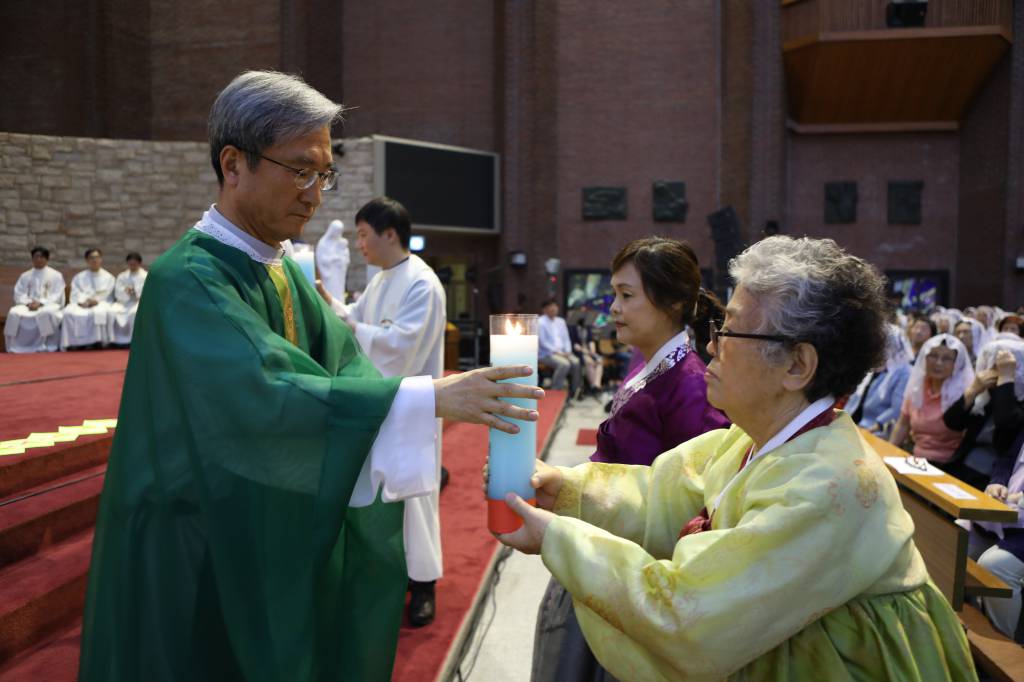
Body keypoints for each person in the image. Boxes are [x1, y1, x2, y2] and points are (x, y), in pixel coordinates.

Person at [78, 70, 543, 682]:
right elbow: (265, 390)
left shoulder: (280, 269)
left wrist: (420, 399)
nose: (316, 193)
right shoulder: (187, 278)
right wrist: (428, 396)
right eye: (300, 170)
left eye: (324, 173)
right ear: (233, 163)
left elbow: (343, 363)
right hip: (198, 535)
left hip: (258, 515)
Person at [499, 236, 975, 680]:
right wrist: (567, 489)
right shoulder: (755, 437)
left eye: (730, 331)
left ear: (796, 365)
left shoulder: (830, 484)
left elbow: (690, 614)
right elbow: (660, 496)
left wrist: (557, 538)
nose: (711, 345)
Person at [532, 237, 729, 682]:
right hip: (599, 539)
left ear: (673, 302)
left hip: (631, 568)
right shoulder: (650, 366)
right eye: (614, 294)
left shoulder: (692, 386)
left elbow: (694, 504)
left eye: (627, 295)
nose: (614, 308)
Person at [317, 196, 447, 628]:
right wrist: (329, 303)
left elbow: (401, 349)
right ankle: (389, 574)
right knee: (382, 492)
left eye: (363, 234)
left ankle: (424, 583)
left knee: (416, 498)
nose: (359, 244)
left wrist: (353, 326)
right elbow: (355, 318)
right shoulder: (381, 279)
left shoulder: (422, 284)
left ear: (390, 234)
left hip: (411, 403)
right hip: (376, 402)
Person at [942, 336, 1024, 488]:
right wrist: (973, 390)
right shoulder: (986, 395)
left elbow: (1006, 428)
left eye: (1002, 368)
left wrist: (1006, 380)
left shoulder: (1016, 398)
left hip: (996, 478)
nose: (993, 371)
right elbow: (952, 422)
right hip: (963, 465)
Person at [889, 334, 974, 468]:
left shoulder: (964, 393)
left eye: (946, 359)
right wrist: (888, 454)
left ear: (956, 364)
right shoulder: (918, 386)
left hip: (948, 465)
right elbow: (903, 424)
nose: (938, 363)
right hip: (914, 459)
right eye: (933, 356)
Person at [845, 322, 913, 438]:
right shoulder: (876, 365)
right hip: (852, 424)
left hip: (875, 430)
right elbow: (856, 398)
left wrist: (871, 429)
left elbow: (896, 410)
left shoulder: (904, 372)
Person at [4, 246, 65, 353]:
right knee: (13, 313)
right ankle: (15, 346)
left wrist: (41, 303)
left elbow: (57, 295)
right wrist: (28, 303)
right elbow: (19, 293)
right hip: (28, 305)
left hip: (48, 305)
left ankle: (47, 346)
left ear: (47, 259)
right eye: (36, 257)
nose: (39, 259)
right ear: (32, 259)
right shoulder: (25, 276)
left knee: (46, 313)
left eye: (42, 257)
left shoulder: (56, 275)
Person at [61, 248, 115, 350]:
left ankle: (98, 342)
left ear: (101, 259)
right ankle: (74, 343)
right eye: (91, 258)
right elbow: (75, 293)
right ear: (87, 260)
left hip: (101, 303)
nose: (94, 260)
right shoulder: (79, 277)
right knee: (68, 313)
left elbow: (107, 293)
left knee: (99, 312)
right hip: (82, 303)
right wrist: (84, 301)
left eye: (97, 257)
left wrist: (96, 301)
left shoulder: (108, 277)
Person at [539, 299, 582, 397]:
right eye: (551, 306)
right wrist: (559, 353)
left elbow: (566, 339)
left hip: (563, 352)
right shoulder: (540, 322)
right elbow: (543, 342)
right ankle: (555, 391)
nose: (554, 308)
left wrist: (568, 351)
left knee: (576, 362)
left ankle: (574, 391)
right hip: (547, 353)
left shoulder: (561, 321)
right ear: (545, 309)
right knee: (564, 364)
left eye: (555, 306)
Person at [108, 252, 148, 346]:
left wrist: (136, 291)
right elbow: (118, 291)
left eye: (134, 264)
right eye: (130, 264)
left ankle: (133, 340)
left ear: (139, 263)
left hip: (139, 302)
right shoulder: (122, 276)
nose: (132, 266)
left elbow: (147, 291)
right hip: (124, 302)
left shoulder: (145, 276)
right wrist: (125, 291)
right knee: (112, 311)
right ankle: (115, 340)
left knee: (134, 313)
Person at [316, 218, 350, 303]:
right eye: (336, 231)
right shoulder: (323, 243)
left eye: (339, 231)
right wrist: (334, 259)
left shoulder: (341, 243)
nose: (338, 234)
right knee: (330, 291)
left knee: (339, 292)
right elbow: (321, 260)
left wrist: (342, 261)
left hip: (339, 274)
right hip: (329, 275)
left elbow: (346, 259)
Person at [569, 313, 603, 397]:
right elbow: (574, 345)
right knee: (590, 363)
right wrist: (587, 353)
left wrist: (593, 352)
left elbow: (590, 340)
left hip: (589, 351)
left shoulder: (587, 327)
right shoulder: (572, 328)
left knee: (599, 360)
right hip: (579, 352)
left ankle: (596, 385)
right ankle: (593, 386)